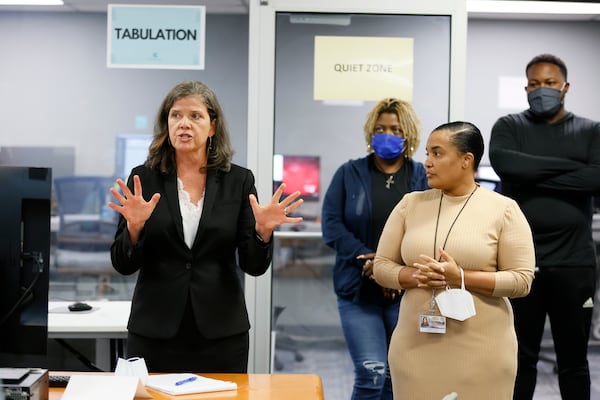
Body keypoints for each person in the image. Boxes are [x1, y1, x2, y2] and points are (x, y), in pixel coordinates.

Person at [108, 80, 303, 373]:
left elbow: (253, 265)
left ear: (212, 127)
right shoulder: (143, 180)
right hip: (155, 331)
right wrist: (133, 230)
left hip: (221, 333)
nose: (184, 124)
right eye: (176, 115)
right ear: (167, 124)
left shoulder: (238, 181)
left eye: (195, 116)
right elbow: (123, 264)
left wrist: (263, 233)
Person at [373, 121, 536, 399]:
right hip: (415, 347)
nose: (427, 162)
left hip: (483, 352)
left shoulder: (503, 209)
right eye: (427, 153)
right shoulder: (410, 204)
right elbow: (381, 266)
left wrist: (460, 277)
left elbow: (521, 280)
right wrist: (414, 276)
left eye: (437, 153)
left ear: (466, 160)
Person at [489, 53, 600, 400]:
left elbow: (596, 178)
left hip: (574, 264)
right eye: (535, 84)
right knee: (519, 359)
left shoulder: (590, 130)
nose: (542, 90)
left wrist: (532, 175)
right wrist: (572, 168)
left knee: (574, 362)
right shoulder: (509, 127)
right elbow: (507, 166)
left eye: (550, 83)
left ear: (565, 87)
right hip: (518, 264)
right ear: (525, 87)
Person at [321, 98, 428, 400]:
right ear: (370, 133)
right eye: (380, 128)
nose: (387, 134)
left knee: (397, 376)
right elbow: (332, 224)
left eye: (395, 129)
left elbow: (428, 229)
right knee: (372, 373)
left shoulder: (421, 176)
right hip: (358, 288)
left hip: (406, 291)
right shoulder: (349, 173)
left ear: (407, 134)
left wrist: (393, 269)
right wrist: (371, 264)